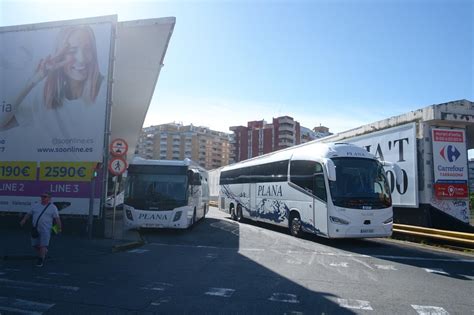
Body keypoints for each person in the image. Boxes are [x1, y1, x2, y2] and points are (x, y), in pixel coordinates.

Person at [1, 25, 104, 131]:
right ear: (59, 55)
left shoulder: (105, 90)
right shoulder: (44, 97)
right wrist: (33, 79)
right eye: (72, 51)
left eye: (88, 49)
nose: (81, 59)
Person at [20, 192, 62, 267]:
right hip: (35, 229)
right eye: (42, 196)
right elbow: (29, 213)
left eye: (45, 197)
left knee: (43, 245)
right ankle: (43, 252)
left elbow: (57, 219)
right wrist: (24, 220)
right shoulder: (36, 205)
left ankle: (40, 260)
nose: (43, 198)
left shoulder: (53, 207)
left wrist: (59, 228)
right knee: (35, 245)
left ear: (49, 198)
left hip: (46, 229)